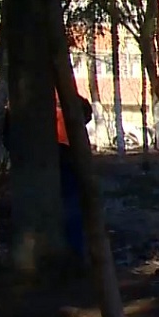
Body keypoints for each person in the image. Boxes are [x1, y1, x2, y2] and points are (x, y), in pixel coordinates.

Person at [56, 95, 93, 260]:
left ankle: (73, 251)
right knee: (71, 205)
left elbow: (87, 113)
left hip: (65, 153)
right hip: (66, 154)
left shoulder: (59, 96)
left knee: (71, 205)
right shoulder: (64, 97)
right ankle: (74, 251)